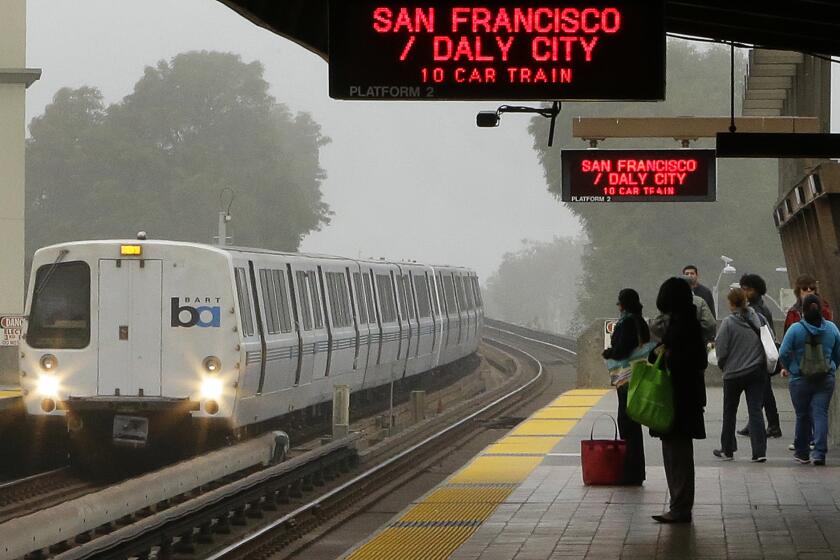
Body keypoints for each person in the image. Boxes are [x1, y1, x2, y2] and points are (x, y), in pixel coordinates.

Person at [649, 277, 707, 524]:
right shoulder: (686, 322)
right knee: (675, 453)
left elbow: (692, 360)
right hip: (684, 398)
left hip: (679, 399)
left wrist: (665, 354)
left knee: (677, 455)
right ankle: (679, 504)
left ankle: (680, 506)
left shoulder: (684, 325)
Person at [602, 289, 657, 486]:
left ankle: (630, 472)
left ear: (623, 304)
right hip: (639, 375)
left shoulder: (627, 322)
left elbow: (623, 348)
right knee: (633, 422)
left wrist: (609, 353)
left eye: (619, 304)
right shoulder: (640, 321)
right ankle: (636, 471)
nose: (618, 307)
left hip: (627, 378)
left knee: (627, 421)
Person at [778, 294, 840, 465]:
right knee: (820, 414)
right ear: (821, 309)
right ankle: (819, 453)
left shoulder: (795, 329)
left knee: (802, 415)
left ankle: (802, 452)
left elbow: (782, 352)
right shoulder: (832, 329)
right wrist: (832, 365)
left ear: (803, 311)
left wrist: (791, 368)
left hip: (800, 379)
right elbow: (838, 353)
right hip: (825, 378)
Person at [713, 288, 768, 462]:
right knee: (755, 411)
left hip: (733, 374)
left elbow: (720, 349)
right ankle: (759, 452)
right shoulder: (759, 318)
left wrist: (723, 365)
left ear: (731, 303)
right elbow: (769, 340)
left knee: (729, 412)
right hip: (756, 372)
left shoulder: (728, 323)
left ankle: (728, 449)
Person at [782, 274, 833, 451]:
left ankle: (804, 445)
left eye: (811, 288)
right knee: (818, 412)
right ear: (798, 291)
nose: (808, 291)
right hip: (822, 371)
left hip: (800, 372)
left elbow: (785, 348)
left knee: (805, 412)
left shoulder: (800, 317)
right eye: (805, 289)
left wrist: (788, 366)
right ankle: (818, 448)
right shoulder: (798, 312)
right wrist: (832, 364)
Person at [736, 274, 782, 439]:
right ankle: (769, 424)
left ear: (757, 290)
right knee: (764, 391)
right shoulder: (760, 307)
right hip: (761, 356)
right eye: (743, 288)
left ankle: (772, 425)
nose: (745, 292)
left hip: (759, 356)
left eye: (748, 289)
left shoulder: (758, 310)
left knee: (764, 392)